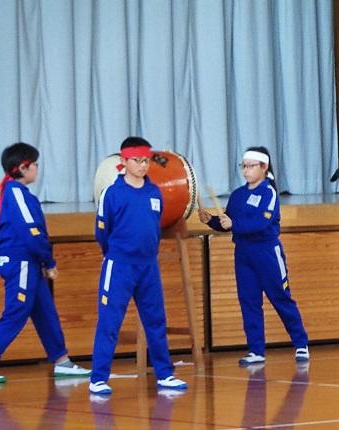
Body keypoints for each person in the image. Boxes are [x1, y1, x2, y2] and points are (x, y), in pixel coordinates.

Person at [0, 142, 90, 383]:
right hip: (21, 263)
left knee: (45, 311)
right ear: (22, 167)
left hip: (29, 262)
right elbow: (32, 232)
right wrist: (48, 261)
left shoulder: (18, 194)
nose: (37, 168)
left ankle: (62, 361)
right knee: (16, 311)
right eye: (34, 164)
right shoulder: (15, 194)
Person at [89, 137, 188, 396]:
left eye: (146, 161)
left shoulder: (153, 192)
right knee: (110, 321)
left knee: (156, 320)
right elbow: (102, 231)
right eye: (137, 160)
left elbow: (154, 225)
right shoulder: (112, 193)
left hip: (148, 267)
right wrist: (113, 254)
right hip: (119, 265)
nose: (143, 165)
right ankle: (98, 378)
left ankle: (164, 374)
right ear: (124, 161)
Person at [200, 147, 309, 366]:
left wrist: (234, 224)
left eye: (251, 166)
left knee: (281, 298)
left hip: (266, 252)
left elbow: (261, 222)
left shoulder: (268, 193)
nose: (246, 170)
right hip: (243, 254)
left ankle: (301, 344)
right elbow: (227, 222)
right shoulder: (238, 195)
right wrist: (211, 220)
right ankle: (256, 350)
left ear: (264, 167)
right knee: (249, 301)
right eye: (244, 166)